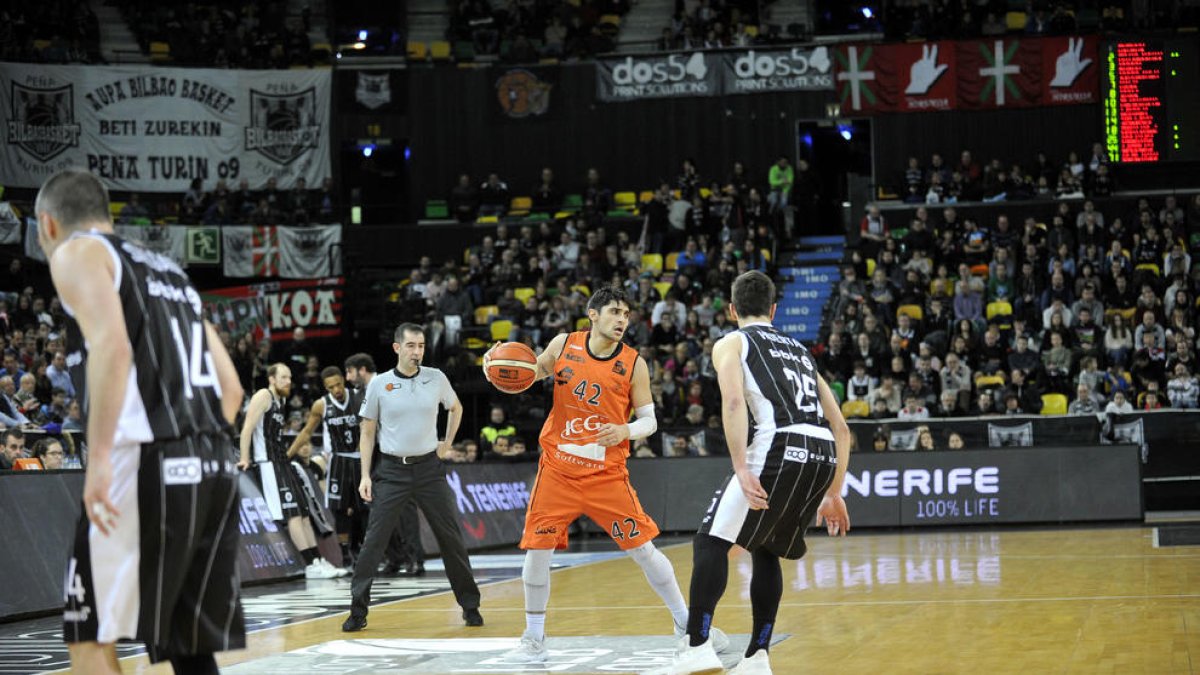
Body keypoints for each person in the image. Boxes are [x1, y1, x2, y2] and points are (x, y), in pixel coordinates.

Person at [36, 169, 246, 675]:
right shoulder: (172, 275)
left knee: (88, 633)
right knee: (187, 645)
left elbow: (112, 346)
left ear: (47, 224)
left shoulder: (77, 252)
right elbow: (232, 387)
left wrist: (101, 460)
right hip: (215, 465)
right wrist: (196, 451)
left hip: (151, 459)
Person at [483, 286, 726, 664]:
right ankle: (533, 636)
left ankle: (686, 624)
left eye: (626, 315)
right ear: (592, 314)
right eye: (615, 312)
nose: (622, 320)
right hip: (558, 470)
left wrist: (624, 431)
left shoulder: (634, 363)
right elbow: (530, 374)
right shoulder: (564, 343)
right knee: (536, 554)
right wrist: (494, 365)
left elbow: (649, 422)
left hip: (605, 474)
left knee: (644, 550)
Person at [651, 270, 851, 675]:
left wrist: (742, 467)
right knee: (766, 547)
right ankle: (758, 656)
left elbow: (734, 403)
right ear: (774, 309)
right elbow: (842, 428)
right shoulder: (800, 350)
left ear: (731, 309)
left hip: (777, 445)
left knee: (710, 542)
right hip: (822, 453)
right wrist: (834, 492)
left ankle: (698, 645)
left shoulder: (732, 342)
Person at [343, 324, 483, 632]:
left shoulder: (436, 378)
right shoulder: (380, 384)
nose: (416, 351)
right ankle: (357, 612)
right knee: (374, 542)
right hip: (391, 471)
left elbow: (455, 407)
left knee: (451, 539)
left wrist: (446, 444)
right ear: (397, 348)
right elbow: (367, 432)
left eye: (420, 346)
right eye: (410, 346)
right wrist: (365, 475)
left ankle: (470, 606)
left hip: (429, 469)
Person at [240, 363, 341, 580]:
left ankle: (318, 560)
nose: (288, 381)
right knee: (293, 515)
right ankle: (310, 564)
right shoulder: (263, 396)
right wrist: (244, 458)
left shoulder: (281, 400)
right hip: (268, 464)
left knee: (304, 515)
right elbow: (247, 428)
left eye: (290, 377)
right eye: (284, 377)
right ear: (271, 379)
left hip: (282, 461)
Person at [345, 353, 425, 576]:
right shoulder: (358, 395)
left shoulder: (390, 384)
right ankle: (395, 558)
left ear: (362, 370)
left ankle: (415, 558)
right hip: (376, 456)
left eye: (350, 372)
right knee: (378, 511)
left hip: (400, 453)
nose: (348, 378)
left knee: (405, 511)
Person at [288, 366, 369, 566]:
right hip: (338, 460)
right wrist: (288, 455)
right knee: (340, 510)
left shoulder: (358, 397)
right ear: (325, 388)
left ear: (344, 380)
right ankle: (345, 553)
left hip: (360, 458)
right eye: (331, 387)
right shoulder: (321, 405)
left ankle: (359, 546)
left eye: (338, 385)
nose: (336, 390)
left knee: (363, 509)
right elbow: (307, 432)